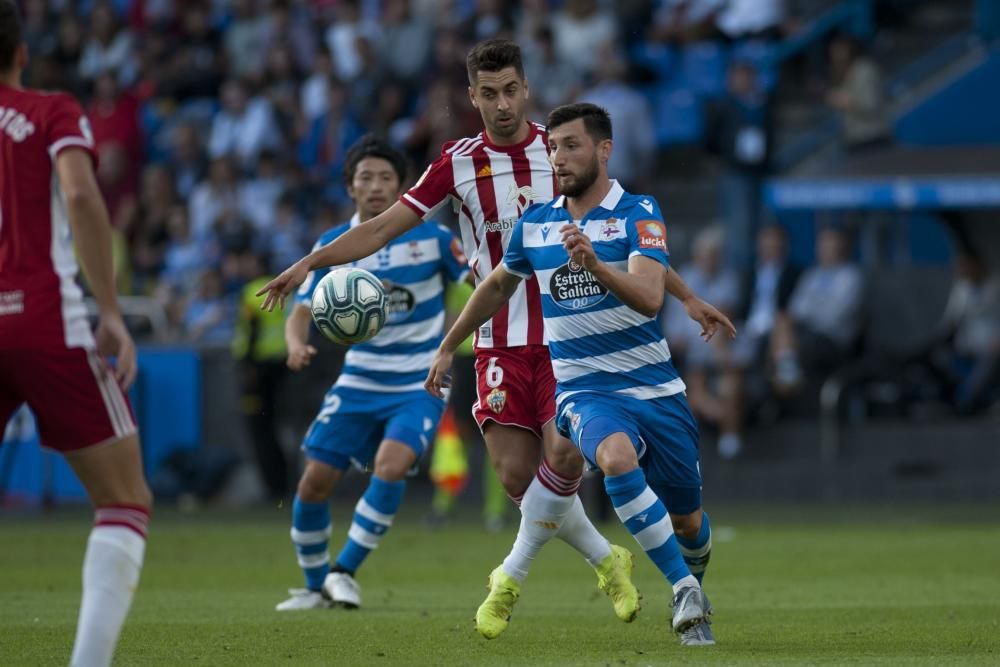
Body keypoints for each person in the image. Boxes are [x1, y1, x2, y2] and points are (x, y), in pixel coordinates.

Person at [257, 39, 733, 639]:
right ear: (472, 97)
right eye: (489, 94)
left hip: (571, 346)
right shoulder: (455, 163)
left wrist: (686, 295)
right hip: (499, 342)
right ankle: (605, 558)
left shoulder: (560, 152)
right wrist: (311, 262)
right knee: (515, 478)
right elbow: (379, 229)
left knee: (569, 457)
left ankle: (519, 576)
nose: (502, 104)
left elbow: (624, 233)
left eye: (511, 90)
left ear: (526, 88)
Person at [426, 103, 725, 646]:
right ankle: (683, 589)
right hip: (585, 388)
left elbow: (649, 297)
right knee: (613, 459)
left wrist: (598, 267)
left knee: (689, 523)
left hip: (655, 387)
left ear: (604, 149)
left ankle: (694, 584)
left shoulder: (638, 212)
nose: (558, 157)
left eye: (571, 146)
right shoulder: (536, 225)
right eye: (554, 147)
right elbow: (495, 286)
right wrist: (449, 344)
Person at [0, 3, 151, 665]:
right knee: (124, 497)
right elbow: (84, 196)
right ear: (22, 52)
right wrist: (111, 310)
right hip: (41, 318)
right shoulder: (51, 111)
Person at [275, 135, 469, 611]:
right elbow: (302, 310)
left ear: (402, 186)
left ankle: (345, 572)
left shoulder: (435, 239)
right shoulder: (333, 247)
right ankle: (317, 584)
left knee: (392, 465)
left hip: (418, 380)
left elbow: (481, 282)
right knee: (313, 482)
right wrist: (296, 345)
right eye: (366, 178)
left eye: (386, 178)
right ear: (350, 187)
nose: (377, 186)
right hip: (359, 379)